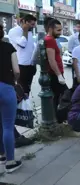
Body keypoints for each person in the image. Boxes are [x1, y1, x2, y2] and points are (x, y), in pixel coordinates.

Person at [0, 24, 23, 172]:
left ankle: (2, 155)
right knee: (7, 126)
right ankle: (10, 162)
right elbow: (16, 70)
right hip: (6, 88)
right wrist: (15, 80)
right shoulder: (8, 47)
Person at [8, 14, 37, 95]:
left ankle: (26, 106)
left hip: (30, 65)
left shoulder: (30, 32)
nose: (33, 27)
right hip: (21, 65)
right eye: (31, 24)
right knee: (21, 90)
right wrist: (25, 30)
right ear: (24, 22)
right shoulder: (14, 31)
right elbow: (23, 44)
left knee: (27, 90)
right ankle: (20, 107)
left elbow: (31, 48)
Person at [45, 19, 68, 114]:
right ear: (50, 29)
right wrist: (59, 75)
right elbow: (51, 59)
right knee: (65, 94)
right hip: (54, 74)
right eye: (58, 30)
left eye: (61, 30)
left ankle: (57, 117)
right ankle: (58, 117)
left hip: (55, 73)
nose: (60, 32)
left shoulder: (51, 39)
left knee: (57, 97)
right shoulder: (50, 40)